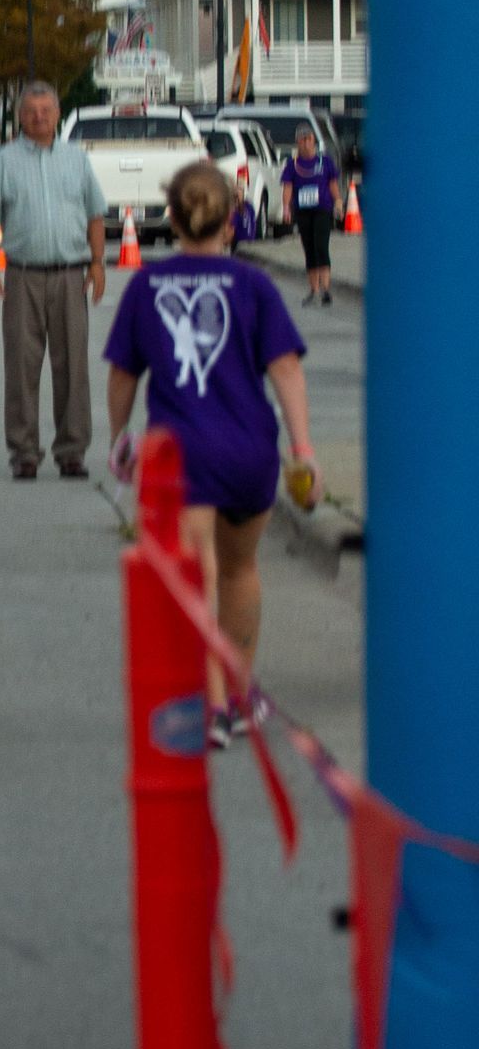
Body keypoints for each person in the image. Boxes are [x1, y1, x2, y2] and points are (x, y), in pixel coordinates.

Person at [105, 159, 319, 750]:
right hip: (250, 449)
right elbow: (286, 368)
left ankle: (213, 706)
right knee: (242, 570)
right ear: (231, 222)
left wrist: (120, 437)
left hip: (184, 453)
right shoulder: (254, 286)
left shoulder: (147, 286)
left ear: (171, 218)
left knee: (195, 575)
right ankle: (240, 693)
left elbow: (124, 373)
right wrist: (302, 449)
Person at [0, 81, 107, 478]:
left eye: (46, 110)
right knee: (21, 368)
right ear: (20, 117)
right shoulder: (4, 161)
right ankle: (24, 453)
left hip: (70, 276)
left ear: (57, 114)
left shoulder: (76, 159)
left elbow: (95, 214)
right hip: (23, 276)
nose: (39, 117)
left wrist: (97, 263)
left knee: (73, 367)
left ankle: (72, 451)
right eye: (32, 111)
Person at [280, 123, 340, 306]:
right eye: (302, 139)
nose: (306, 143)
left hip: (322, 208)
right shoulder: (293, 165)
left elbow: (333, 185)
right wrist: (286, 208)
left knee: (321, 245)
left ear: (314, 141)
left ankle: (326, 289)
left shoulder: (325, 162)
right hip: (303, 210)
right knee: (309, 248)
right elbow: (288, 188)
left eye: (309, 139)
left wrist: (338, 201)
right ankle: (314, 289)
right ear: (297, 142)